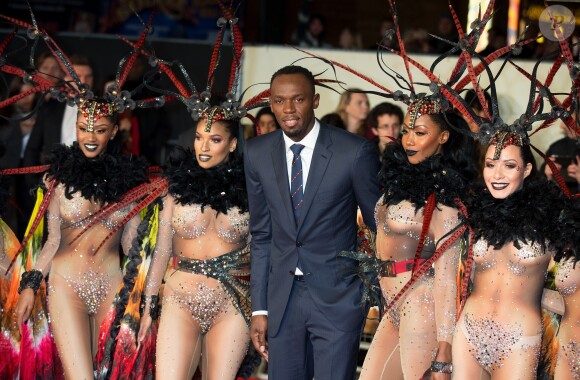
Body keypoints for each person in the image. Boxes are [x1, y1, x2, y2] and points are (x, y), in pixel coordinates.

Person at [244, 65, 381, 379]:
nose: (288, 109)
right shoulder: (256, 153)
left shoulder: (353, 152)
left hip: (338, 298)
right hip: (282, 301)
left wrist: (369, 291)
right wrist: (260, 308)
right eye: (278, 101)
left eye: (298, 100)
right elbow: (262, 236)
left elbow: (377, 226)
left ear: (316, 101)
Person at [13, 97, 148, 379]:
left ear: (113, 132)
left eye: (99, 129)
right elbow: (51, 241)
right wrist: (30, 284)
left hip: (112, 289)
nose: (90, 136)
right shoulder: (57, 179)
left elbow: (130, 247)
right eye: (83, 128)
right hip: (66, 287)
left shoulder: (128, 182)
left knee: (106, 375)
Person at [360, 104, 477, 380]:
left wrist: (444, 351)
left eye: (420, 132)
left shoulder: (447, 202)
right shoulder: (398, 181)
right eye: (406, 131)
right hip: (391, 304)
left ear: (444, 137)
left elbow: (448, 279)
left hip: (422, 304)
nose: (409, 140)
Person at [452, 131, 577, 378]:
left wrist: (543, 299)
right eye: (490, 165)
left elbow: (571, 286)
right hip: (467, 333)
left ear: (527, 169)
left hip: (519, 340)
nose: (497, 175)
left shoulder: (553, 218)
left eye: (509, 166)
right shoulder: (475, 213)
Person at [138, 107, 251, 379]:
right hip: (180, 300)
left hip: (232, 304)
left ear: (233, 144)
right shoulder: (175, 189)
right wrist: (149, 304)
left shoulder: (252, 190)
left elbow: (261, 250)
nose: (203, 146)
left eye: (215, 140)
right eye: (200, 137)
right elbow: (162, 250)